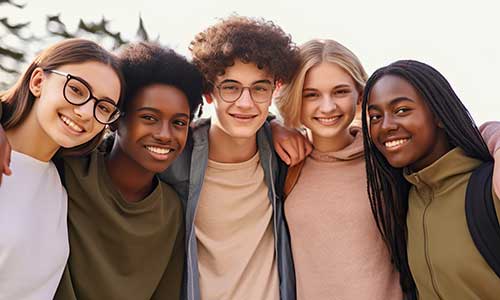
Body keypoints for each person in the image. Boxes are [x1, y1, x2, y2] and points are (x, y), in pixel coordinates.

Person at [161, 15, 300, 300]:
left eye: (259, 88)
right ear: (209, 93)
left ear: (274, 90)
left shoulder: (283, 158)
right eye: (231, 87)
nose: (246, 103)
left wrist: (274, 125)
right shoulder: (174, 159)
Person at [52, 42, 204, 300]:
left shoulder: (171, 212)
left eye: (179, 122)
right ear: (116, 118)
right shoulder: (66, 167)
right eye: (149, 118)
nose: (165, 135)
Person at [274, 39, 402, 300]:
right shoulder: (286, 163)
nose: (328, 107)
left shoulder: (386, 158)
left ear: (360, 94)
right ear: (295, 97)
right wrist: (270, 126)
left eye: (340, 91)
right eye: (311, 94)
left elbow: (456, 137)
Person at [362, 59, 500, 299]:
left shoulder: (490, 189)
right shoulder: (405, 200)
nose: (385, 126)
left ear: (439, 114)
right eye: (375, 117)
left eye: (401, 110)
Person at [0, 38, 123, 300]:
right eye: (77, 90)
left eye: (103, 107)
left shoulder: (61, 183)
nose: (86, 113)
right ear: (37, 82)